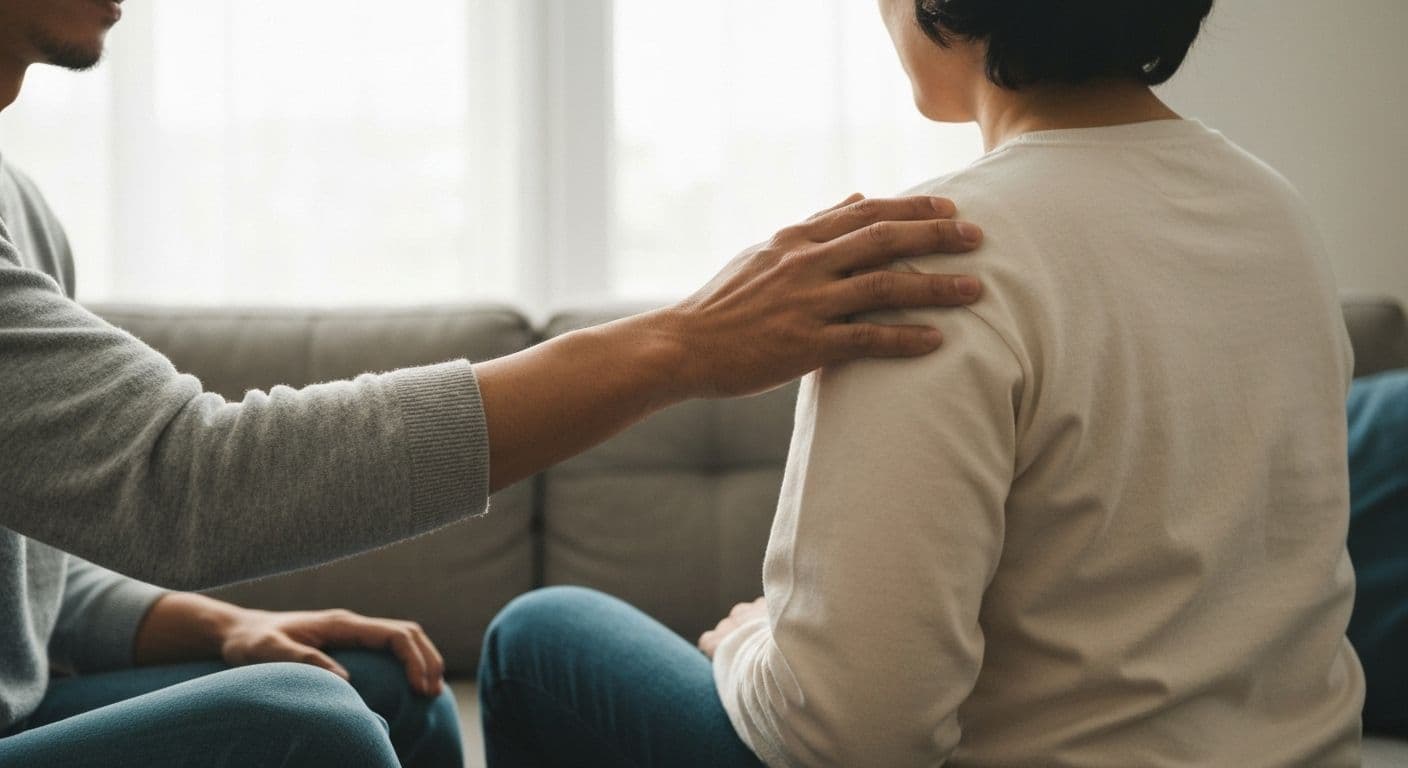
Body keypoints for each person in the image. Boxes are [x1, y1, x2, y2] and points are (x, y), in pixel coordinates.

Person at [0, 1, 993, 766]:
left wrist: (212, 622)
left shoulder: (21, 204)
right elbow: (187, 478)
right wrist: (680, 347)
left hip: (27, 699)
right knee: (309, 727)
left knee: (393, 687)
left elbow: (39, 529)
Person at [479, 0, 1366, 765]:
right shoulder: (1277, 216)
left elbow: (848, 735)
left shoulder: (925, 259)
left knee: (535, 639)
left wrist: (748, 640)